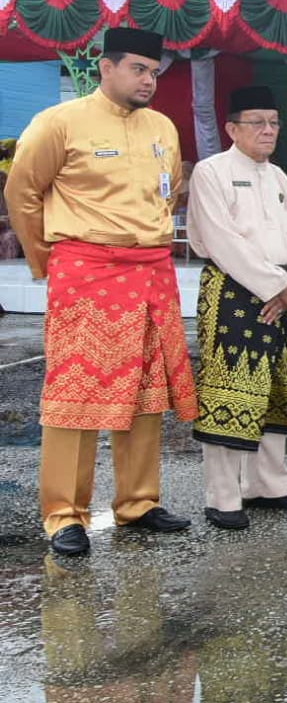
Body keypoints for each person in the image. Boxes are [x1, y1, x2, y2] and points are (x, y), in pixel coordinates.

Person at [4, 27, 196, 555]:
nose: (148, 80)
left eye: (154, 72)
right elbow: (22, 192)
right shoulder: (60, 122)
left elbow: (170, 192)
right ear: (106, 68)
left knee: (143, 390)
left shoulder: (161, 126)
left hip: (152, 271)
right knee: (78, 392)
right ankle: (64, 514)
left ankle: (138, 502)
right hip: (87, 271)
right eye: (138, 69)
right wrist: (51, 263)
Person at [186, 85, 287, 530]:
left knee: (276, 388)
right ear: (231, 128)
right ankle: (223, 497)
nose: (267, 130)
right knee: (231, 388)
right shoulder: (211, 171)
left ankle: (268, 485)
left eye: (274, 123)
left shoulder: (278, 175)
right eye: (257, 122)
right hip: (233, 292)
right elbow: (222, 242)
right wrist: (277, 285)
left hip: (282, 292)